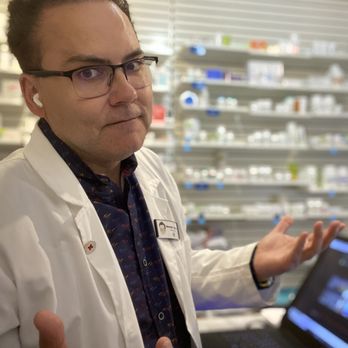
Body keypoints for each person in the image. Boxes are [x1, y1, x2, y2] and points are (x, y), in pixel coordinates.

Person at [0, 0, 344, 347]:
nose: (127, 92)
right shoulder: (7, 207)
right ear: (34, 93)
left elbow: (170, 275)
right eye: (89, 72)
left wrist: (253, 265)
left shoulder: (148, 169)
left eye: (133, 64)